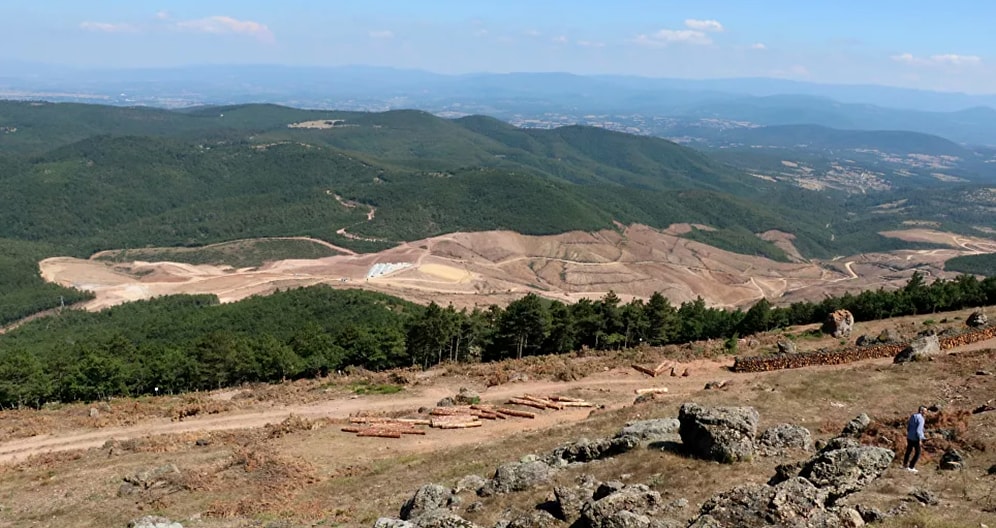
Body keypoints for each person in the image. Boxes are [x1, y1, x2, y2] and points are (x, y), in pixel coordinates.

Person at [903, 406, 927, 473]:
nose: (926, 412)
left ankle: (905, 465)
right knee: (918, 453)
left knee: (908, 451)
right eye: (925, 411)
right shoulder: (921, 419)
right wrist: (920, 439)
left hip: (909, 436)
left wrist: (909, 433)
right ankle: (911, 466)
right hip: (916, 438)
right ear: (921, 411)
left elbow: (908, 427)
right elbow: (919, 430)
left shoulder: (913, 416)